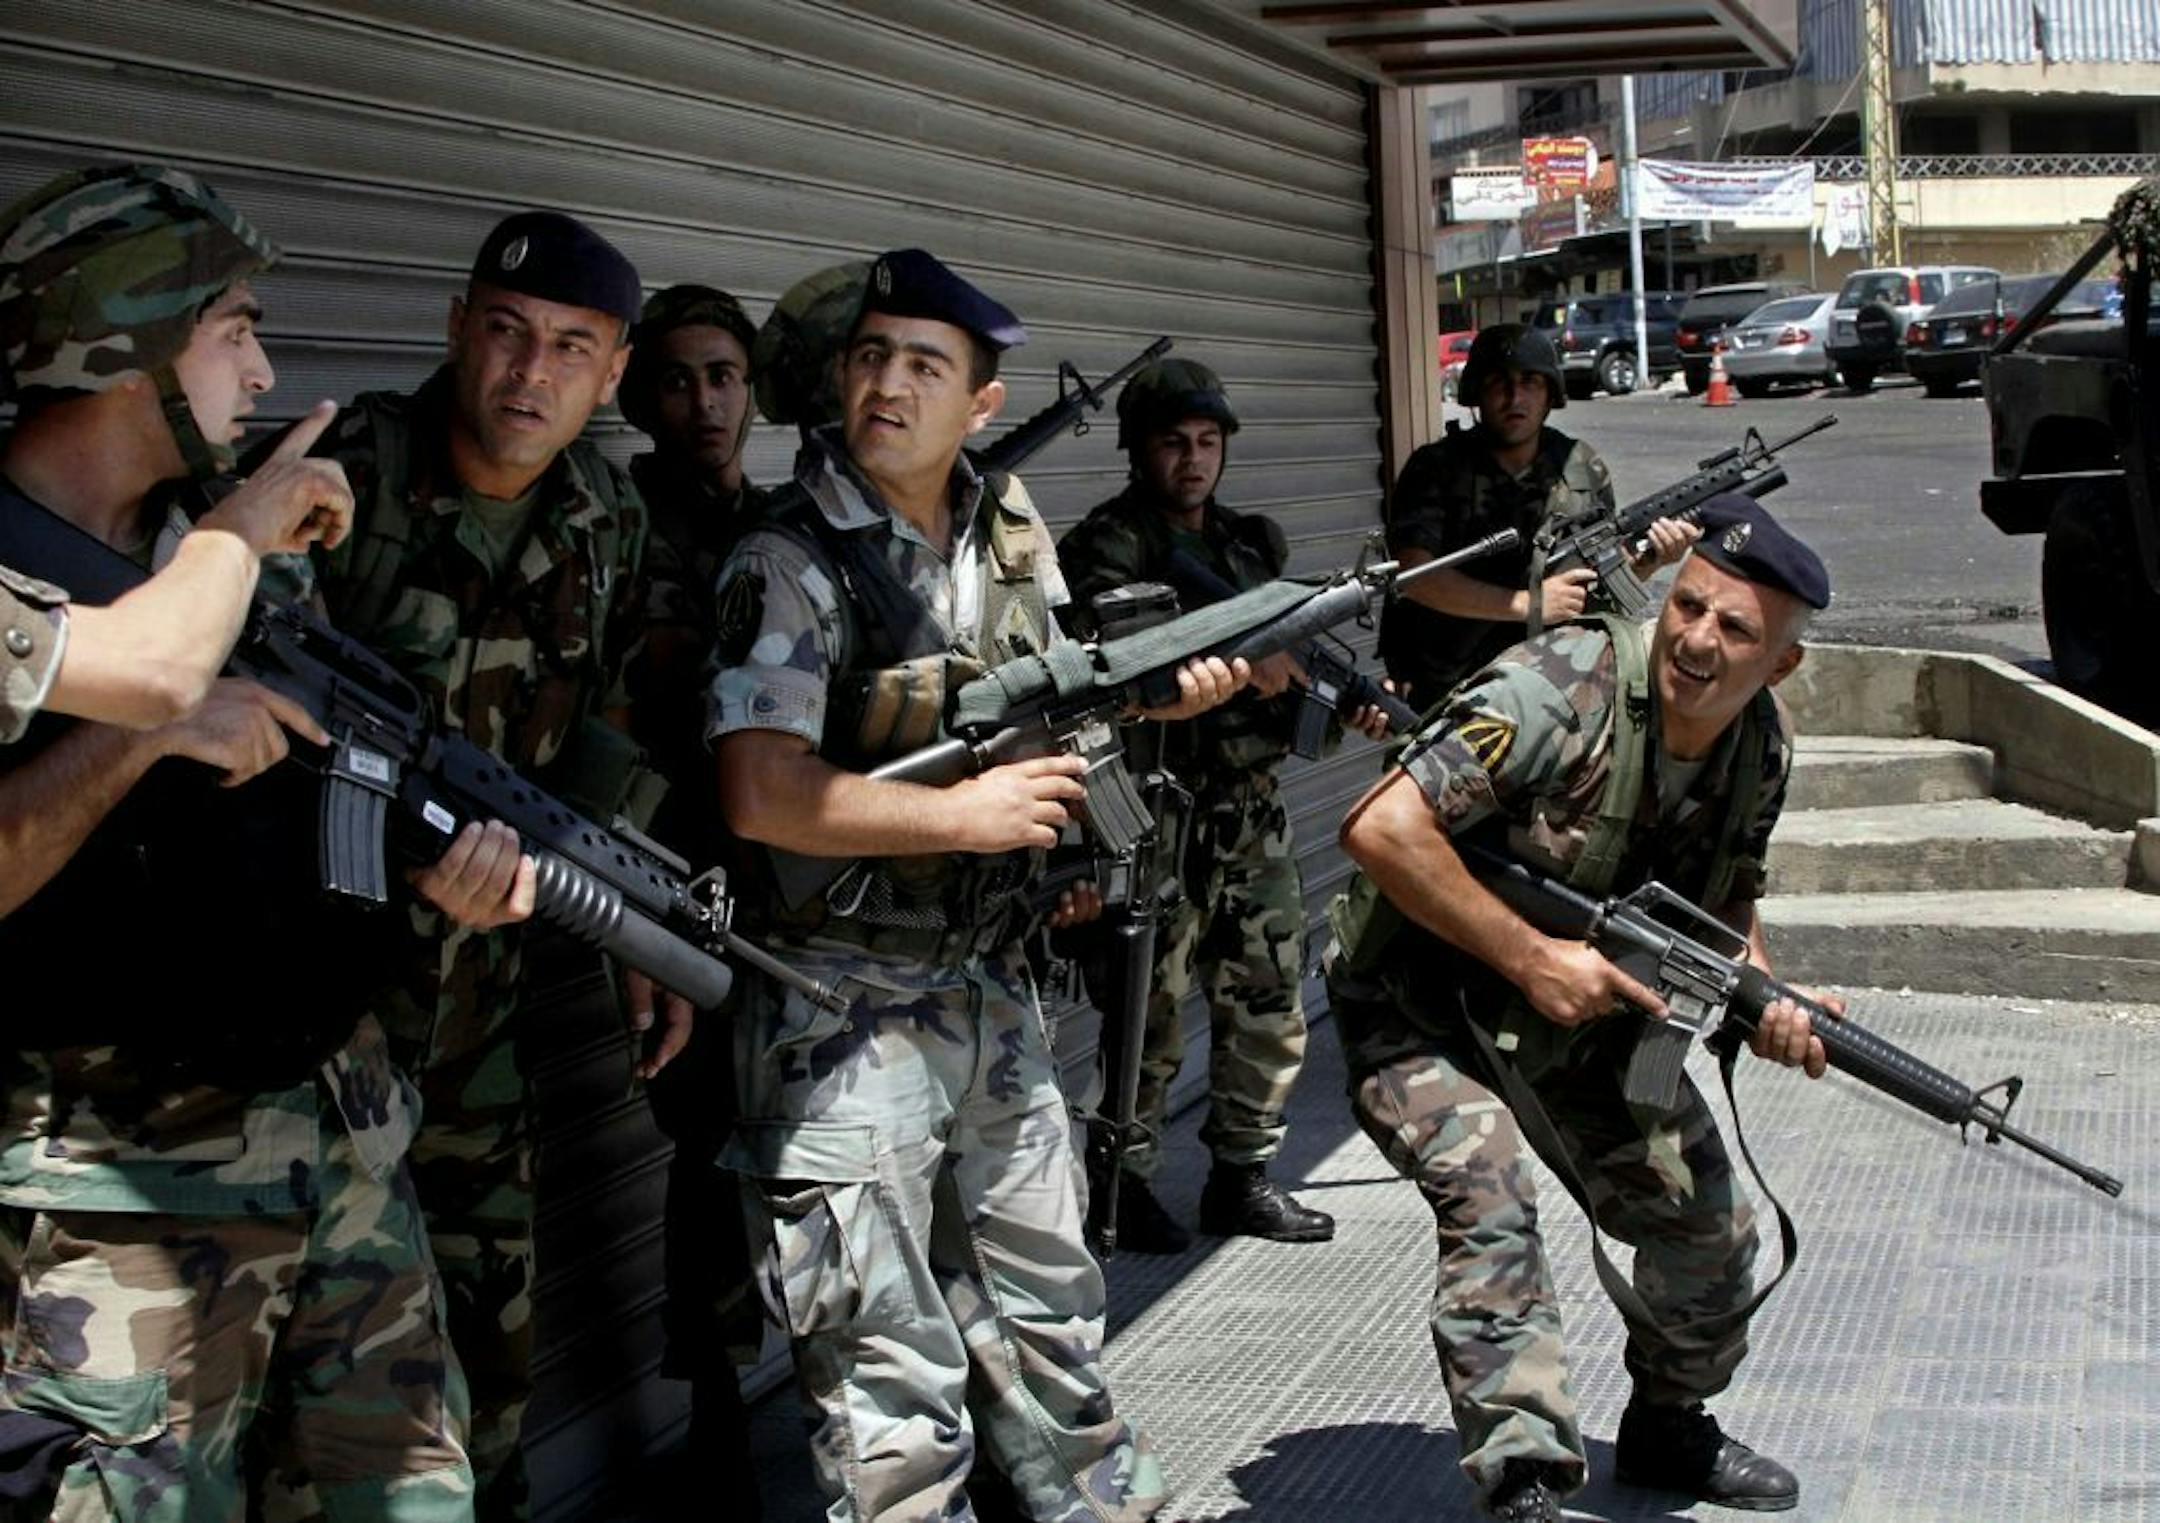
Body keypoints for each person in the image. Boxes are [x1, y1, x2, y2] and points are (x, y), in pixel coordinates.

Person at [710, 248, 1243, 1521]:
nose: (887, 385)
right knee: (889, 1382)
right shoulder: (786, 561)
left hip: (989, 987)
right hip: (837, 1006)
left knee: (1051, 1317)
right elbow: (761, 790)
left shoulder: (1009, 527)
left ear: (982, 403)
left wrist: (1148, 703)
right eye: (870, 358)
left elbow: (1050, 705)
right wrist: (960, 813)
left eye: (924, 366)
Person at [0, 161, 470, 1518]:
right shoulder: (112, 555)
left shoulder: (221, 539)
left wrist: (445, 863)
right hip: (114, 1199)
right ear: (126, 338)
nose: (263, 370)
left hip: (325, 1134)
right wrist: (151, 718)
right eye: (234, 327)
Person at [1328, 495, 1838, 1521]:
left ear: (1777, 664)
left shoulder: (1760, 750)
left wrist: (1768, 997)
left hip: (1575, 1001)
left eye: (1736, 629)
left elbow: (1726, 905)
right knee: (1489, 1193)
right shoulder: (1559, 686)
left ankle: (1667, 1424)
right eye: (1689, 605)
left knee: (1712, 1223)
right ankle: (1523, 1474)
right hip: (1417, 994)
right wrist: (1531, 952)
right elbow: (1381, 827)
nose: (1697, 639)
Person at [281, 208, 677, 1521]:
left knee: (488, 1363)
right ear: (456, 329)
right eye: (504, 332)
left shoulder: (606, 514)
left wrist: (634, 919)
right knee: (306, 1401)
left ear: (612, 373)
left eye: (570, 346)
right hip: (300, 1025)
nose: (529, 371)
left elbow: (611, 723)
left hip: (476, 1029)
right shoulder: (344, 483)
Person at [1056, 357, 1375, 1252]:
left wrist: (1315, 687)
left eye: (1207, 444)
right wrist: (1245, 654)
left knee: (1268, 996)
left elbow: (1287, 650)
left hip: (1248, 808)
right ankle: (1122, 1182)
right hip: (1156, 809)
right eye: (1173, 444)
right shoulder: (1105, 547)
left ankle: (1242, 1177)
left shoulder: (1250, 546)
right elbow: (1116, 661)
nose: (1193, 462)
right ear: (1136, 450)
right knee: (1145, 1016)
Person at [616, 281, 770, 1499]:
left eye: (722, 375)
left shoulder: (774, 521)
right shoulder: (623, 522)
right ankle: (717, 1393)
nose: (704, 401)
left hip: (791, 863)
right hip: (681, 865)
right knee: (711, 1138)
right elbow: (649, 696)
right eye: (676, 378)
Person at [1378, 323, 1698, 707]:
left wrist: (1648, 561)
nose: (1515, 396)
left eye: (1530, 381)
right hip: (1452, 694)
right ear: (1477, 391)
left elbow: (1597, 587)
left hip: (1553, 689)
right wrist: (1529, 604)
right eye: (1500, 382)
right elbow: (1415, 577)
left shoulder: (1580, 465)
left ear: (1549, 393)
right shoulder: (1436, 468)